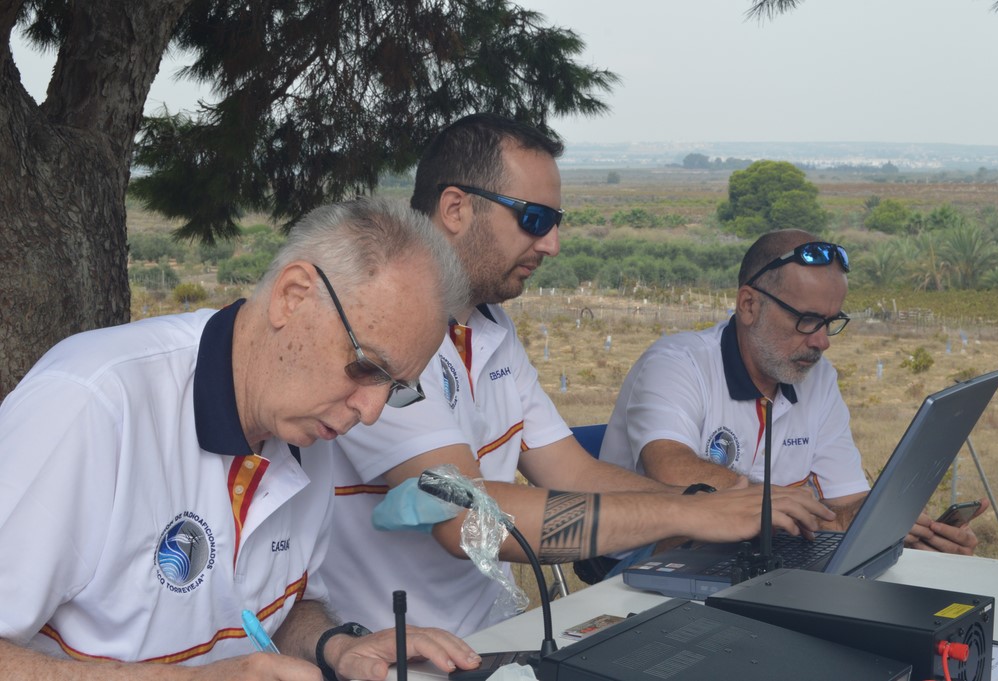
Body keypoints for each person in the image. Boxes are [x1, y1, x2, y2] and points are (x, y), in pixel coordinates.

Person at [313, 114, 835, 638]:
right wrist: (694, 516)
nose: (552, 244)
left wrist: (706, 504)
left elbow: (573, 473)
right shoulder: (384, 332)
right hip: (389, 653)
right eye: (535, 219)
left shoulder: (490, 327)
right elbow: (465, 519)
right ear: (455, 208)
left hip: (488, 637)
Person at [0, 198, 482, 681]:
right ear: (292, 296)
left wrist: (338, 646)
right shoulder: (92, 403)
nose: (371, 411)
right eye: (366, 367)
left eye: (396, 389)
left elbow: (269, 610)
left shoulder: (305, 430)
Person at [599, 229, 987, 567]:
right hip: (646, 554)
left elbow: (847, 503)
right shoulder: (677, 362)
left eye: (831, 322)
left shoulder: (818, 379)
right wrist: (796, 512)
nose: (821, 342)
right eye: (806, 319)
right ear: (749, 304)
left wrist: (902, 533)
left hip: (755, 551)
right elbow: (670, 468)